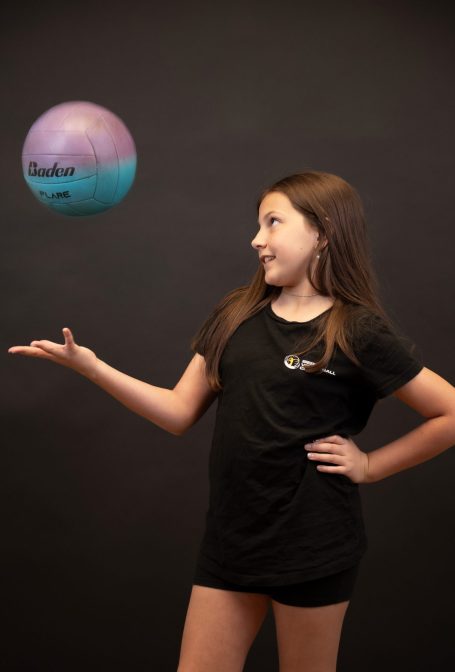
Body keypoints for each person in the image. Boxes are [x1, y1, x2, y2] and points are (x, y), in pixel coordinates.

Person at [8, 170, 455, 672]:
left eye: (273, 222)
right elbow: (178, 413)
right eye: (258, 225)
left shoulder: (358, 330)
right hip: (231, 545)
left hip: (314, 546)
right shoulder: (235, 316)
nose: (256, 239)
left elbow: (450, 413)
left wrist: (370, 465)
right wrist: (92, 368)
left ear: (322, 233)